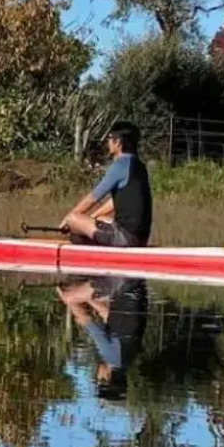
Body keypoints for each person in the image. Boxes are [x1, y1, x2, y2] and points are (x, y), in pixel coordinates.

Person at [60, 120, 152, 248]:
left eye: (109, 138)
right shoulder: (140, 166)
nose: (108, 142)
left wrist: (67, 220)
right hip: (140, 238)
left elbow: (93, 197)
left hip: (124, 239)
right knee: (100, 218)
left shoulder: (120, 165)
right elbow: (118, 202)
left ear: (118, 142)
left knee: (72, 219)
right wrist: (92, 218)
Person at [57, 275, 148, 401]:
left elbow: (108, 315)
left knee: (84, 294)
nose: (96, 374)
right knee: (69, 296)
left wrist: (89, 300)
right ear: (107, 377)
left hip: (136, 285)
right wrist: (69, 301)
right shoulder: (111, 356)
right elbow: (85, 319)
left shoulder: (129, 357)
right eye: (98, 378)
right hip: (120, 284)